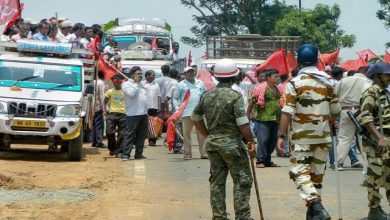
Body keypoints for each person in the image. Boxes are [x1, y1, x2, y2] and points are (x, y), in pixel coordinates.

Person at [277, 44, 341, 220]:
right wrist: (331, 122)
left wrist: (281, 136)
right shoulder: (329, 82)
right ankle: (312, 213)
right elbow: (336, 110)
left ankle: (317, 206)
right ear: (316, 61)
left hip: (302, 137)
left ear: (298, 62)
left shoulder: (294, 83)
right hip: (323, 135)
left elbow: (287, 111)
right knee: (316, 176)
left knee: (299, 172)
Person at [192, 58, 256, 220]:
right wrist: (250, 141)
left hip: (213, 144)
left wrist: (207, 134)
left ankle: (219, 216)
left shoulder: (207, 95)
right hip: (233, 145)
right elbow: (242, 123)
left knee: (217, 182)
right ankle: (242, 216)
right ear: (234, 77)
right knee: (242, 180)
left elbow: (195, 117)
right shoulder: (234, 96)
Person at [359, 62, 390, 219]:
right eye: (386, 74)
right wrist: (380, 138)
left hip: (386, 140)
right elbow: (366, 117)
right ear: (377, 76)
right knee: (375, 176)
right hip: (377, 142)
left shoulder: (384, 92)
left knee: (388, 175)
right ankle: (374, 209)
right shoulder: (371, 93)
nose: (389, 77)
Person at [335, 66, 371, 170]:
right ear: (366, 72)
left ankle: (339, 163)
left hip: (346, 110)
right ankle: (367, 163)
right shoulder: (367, 81)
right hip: (362, 110)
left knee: (344, 138)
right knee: (364, 138)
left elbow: (335, 94)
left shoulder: (343, 80)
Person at [173, 66, 207, 160]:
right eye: (189, 72)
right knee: (186, 135)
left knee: (202, 134)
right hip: (186, 112)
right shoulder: (180, 85)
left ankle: (204, 153)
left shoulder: (200, 83)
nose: (191, 73)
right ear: (185, 74)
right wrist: (177, 110)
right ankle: (187, 154)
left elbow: (205, 95)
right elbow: (175, 98)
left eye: (192, 72)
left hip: (199, 113)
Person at [251, 69, 282, 168]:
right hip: (263, 118)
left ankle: (268, 160)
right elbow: (252, 102)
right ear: (268, 78)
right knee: (263, 140)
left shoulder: (277, 89)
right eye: (275, 77)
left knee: (272, 141)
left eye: (278, 76)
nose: (277, 78)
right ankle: (260, 161)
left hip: (275, 118)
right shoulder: (260, 88)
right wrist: (249, 114)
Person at [122, 66, 148, 161]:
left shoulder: (141, 85)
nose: (140, 76)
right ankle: (126, 154)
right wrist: (136, 84)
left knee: (141, 135)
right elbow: (131, 94)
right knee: (130, 134)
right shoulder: (126, 84)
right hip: (132, 114)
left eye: (141, 74)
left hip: (143, 114)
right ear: (133, 75)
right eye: (138, 74)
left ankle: (139, 154)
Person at [104, 74, 126, 156]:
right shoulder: (110, 91)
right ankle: (112, 149)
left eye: (118, 81)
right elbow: (105, 101)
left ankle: (119, 150)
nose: (116, 83)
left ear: (121, 82)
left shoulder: (125, 91)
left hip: (123, 114)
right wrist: (105, 109)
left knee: (122, 134)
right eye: (114, 82)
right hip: (112, 114)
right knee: (109, 132)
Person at [143, 70, 161, 146]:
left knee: (153, 124)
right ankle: (141, 141)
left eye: (154, 75)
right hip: (144, 107)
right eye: (152, 75)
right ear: (147, 76)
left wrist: (159, 106)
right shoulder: (142, 84)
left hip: (154, 107)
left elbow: (159, 96)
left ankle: (152, 140)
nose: (154, 76)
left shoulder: (156, 84)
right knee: (144, 124)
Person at [92, 71, 107, 148]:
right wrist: (104, 108)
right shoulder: (101, 83)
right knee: (99, 125)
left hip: (92, 107)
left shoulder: (93, 82)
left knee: (94, 125)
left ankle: (94, 142)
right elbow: (102, 97)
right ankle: (99, 142)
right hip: (98, 107)